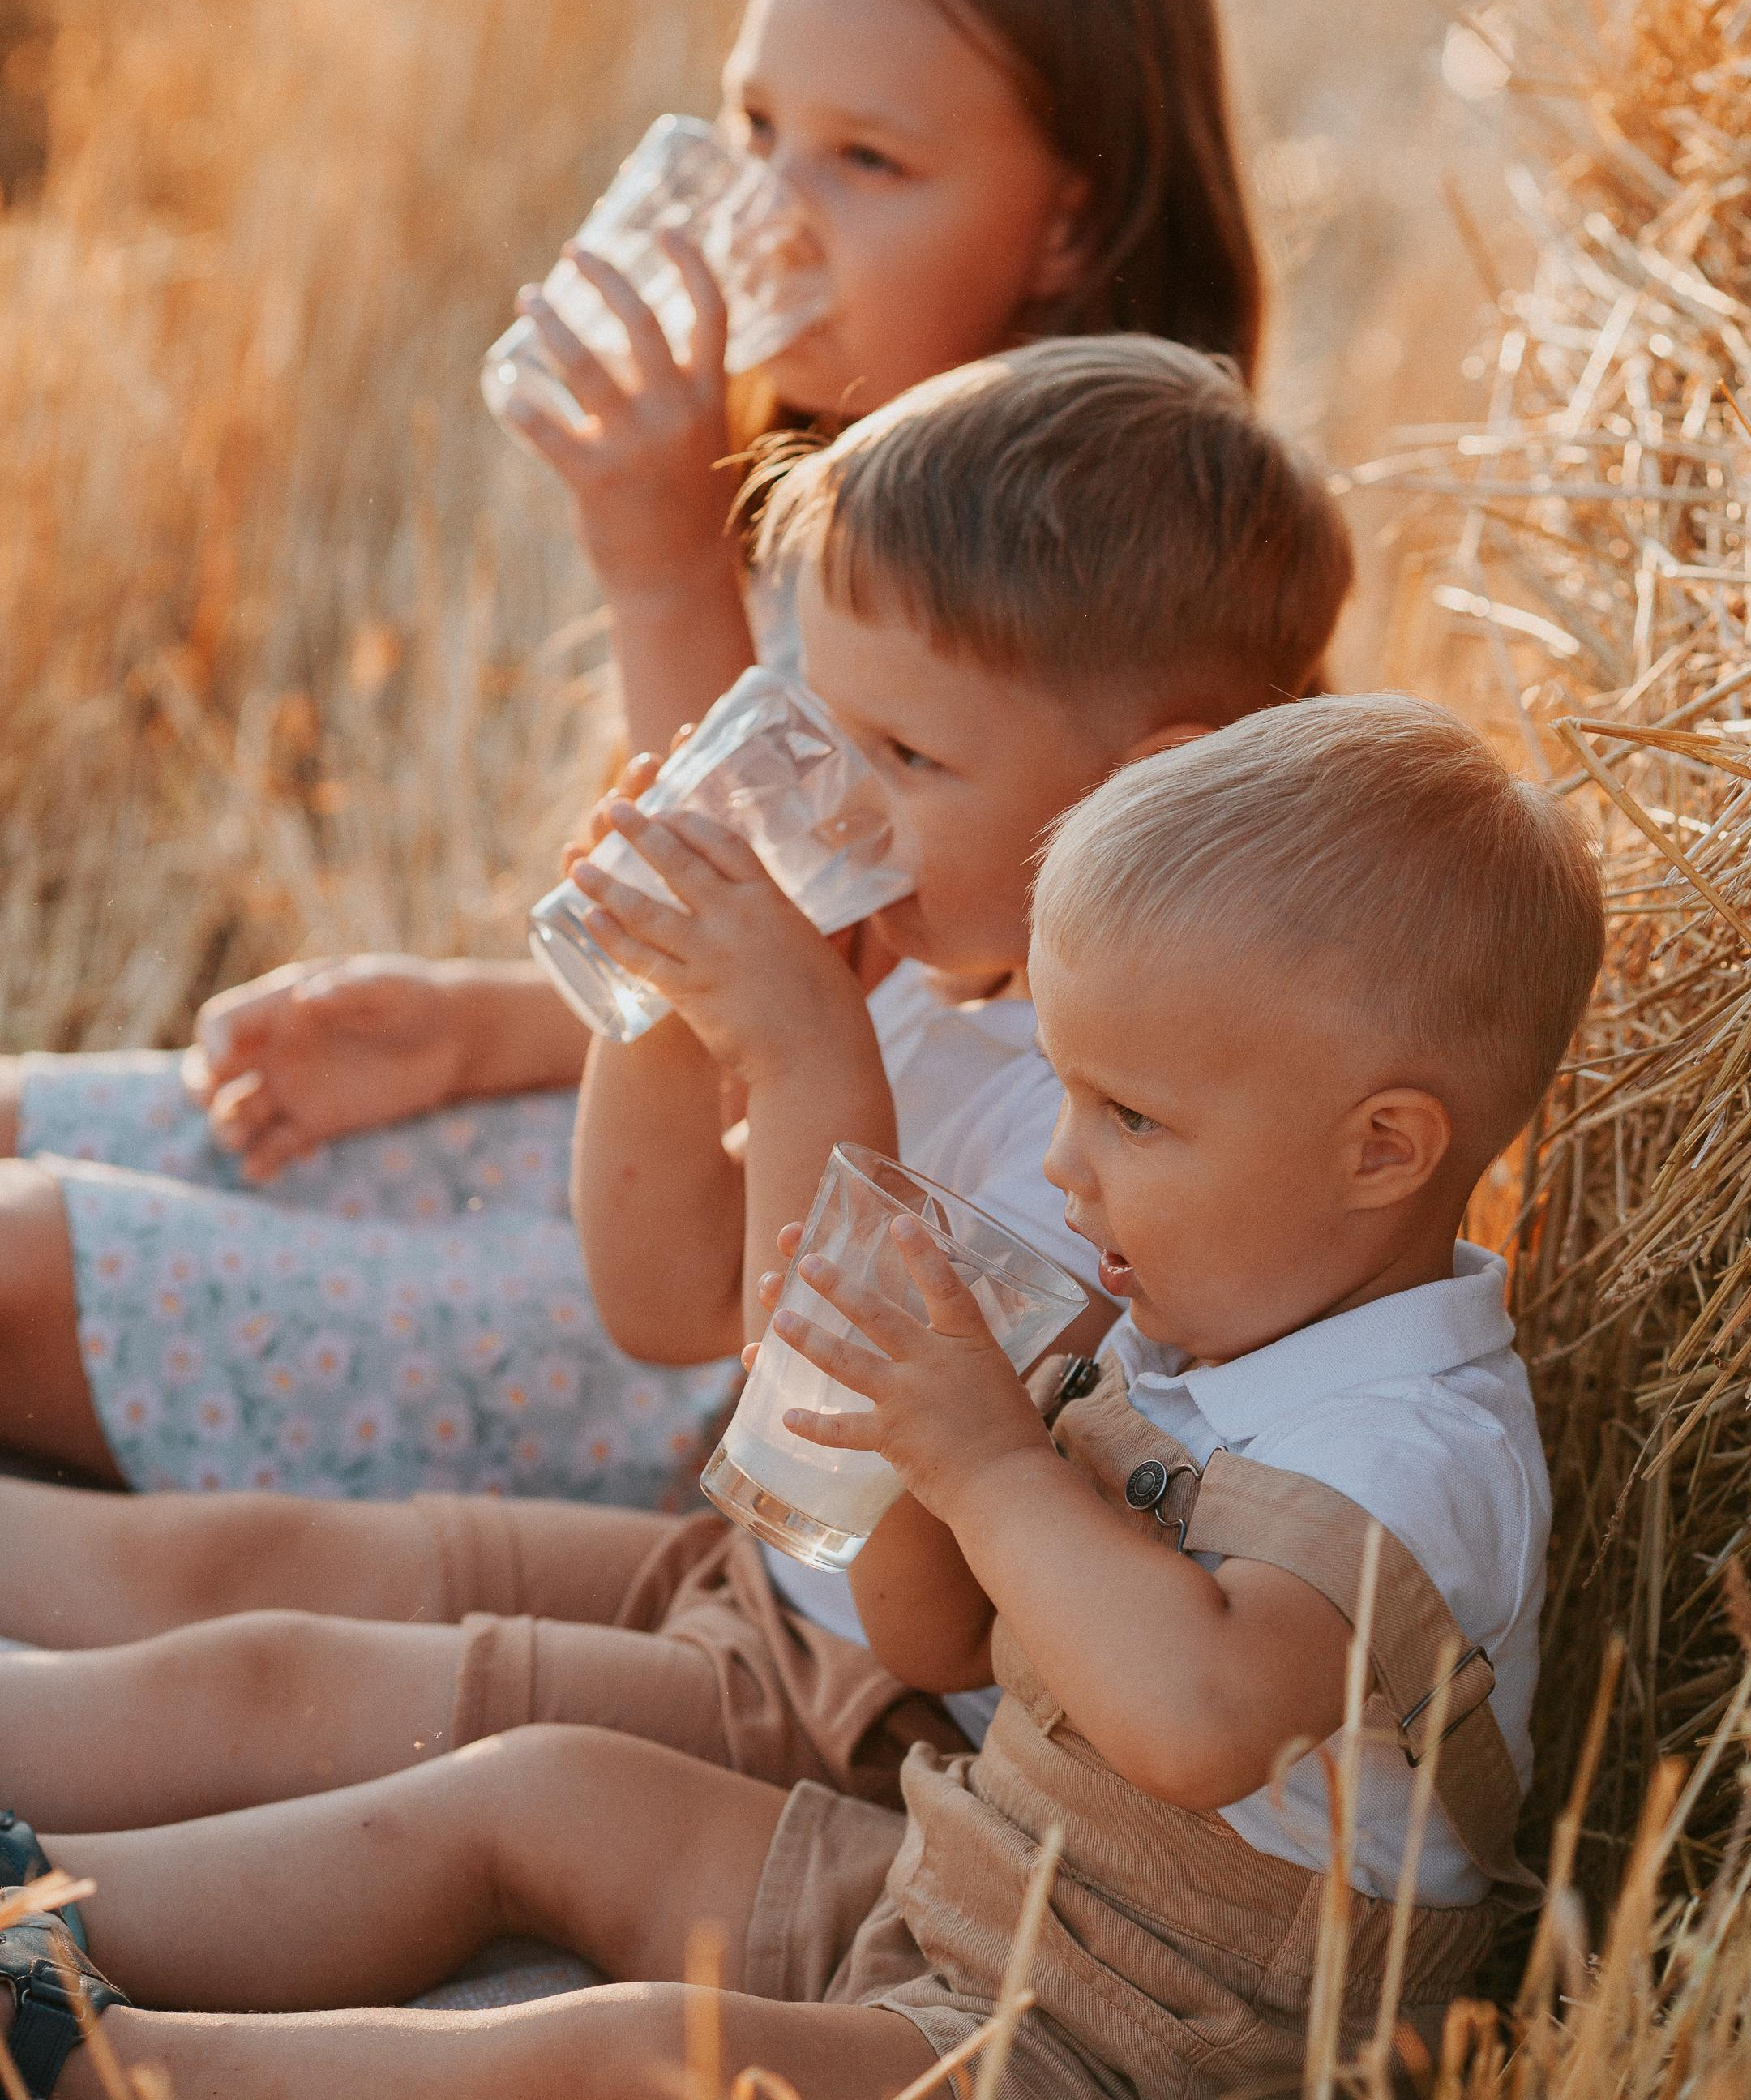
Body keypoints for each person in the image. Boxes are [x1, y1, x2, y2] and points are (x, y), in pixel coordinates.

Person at [0, 694, 1603, 2100]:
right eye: (1064, 1090)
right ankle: (49, 1924)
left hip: (1144, 2044)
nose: (1062, 1163)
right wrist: (888, 1432)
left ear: (1381, 1149)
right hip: (963, 1876)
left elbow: (1192, 1725)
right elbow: (936, 1646)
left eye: (1126, 1117)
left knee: (628, 2062)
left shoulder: (1417, 1446)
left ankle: (107, 2069)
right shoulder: (1200, 1322)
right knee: (542, 1790)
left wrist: (983, 1458)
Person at [0, 0, 1267, 1503]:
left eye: (865, 163)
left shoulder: (1099, 610)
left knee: (21, 1271)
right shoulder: (832, 490)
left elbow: (831, 1009)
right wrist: (475, 1029)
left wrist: (663, 571)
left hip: (751, 1315)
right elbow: (772, 963)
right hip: (638, 1146)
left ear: (1067, 230)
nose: (772, 213)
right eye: (757, 130)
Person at [0, 338, 1352, 1830]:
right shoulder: (930, 962)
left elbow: (853, 1497)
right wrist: (654, 995)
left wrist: (799, 1055)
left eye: (902, 753)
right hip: (748, 1579)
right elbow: (659, 1300)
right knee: (261, 1571)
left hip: (872, 1705)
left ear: (1149, 784)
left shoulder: (1122, 1124)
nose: (834, 792)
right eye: (818, 718)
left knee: (287, 1686)